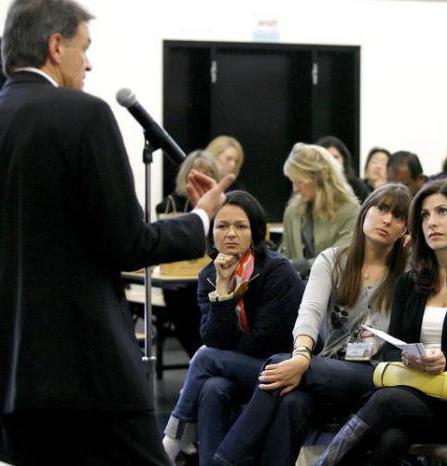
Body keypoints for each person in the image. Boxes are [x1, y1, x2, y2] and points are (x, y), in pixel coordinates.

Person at [0, 1, 232, 465]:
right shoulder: (82, 114)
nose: (89, 63)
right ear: (55, 45)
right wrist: (202, 219)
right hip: (85, 369)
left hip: (11, 373)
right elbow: (127, 242)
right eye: (84, 49)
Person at [317, 178, 447, 466]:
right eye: (424, 215)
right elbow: (389, 350)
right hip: (410, 392)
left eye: (442, 212)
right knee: (391, 439)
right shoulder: (410, 281)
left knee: (386, 403)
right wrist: (411, 358)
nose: (431, 222)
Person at [210, 183, 412, 466]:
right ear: (365, 211)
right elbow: (310, 312)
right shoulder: (332, 260)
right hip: (325, 369)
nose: (387, 220)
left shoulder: (408, 274)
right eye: (381, 209)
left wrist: (301, 362)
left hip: (373, 375)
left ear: (406, 229)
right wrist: (303, 355)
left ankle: (223, 461)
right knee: (292, 401)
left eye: (399, 216)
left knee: (277, 362)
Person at [161, 191, 304, 466]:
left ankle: (170, 445)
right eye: (222, 226)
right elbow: (213, 336)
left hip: (279, 367)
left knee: (204, 357)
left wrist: (219, 354)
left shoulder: (277, 270)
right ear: (211, 232)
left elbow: (266, 340)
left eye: (241, 226)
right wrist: (224, 289)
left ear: (255, 231)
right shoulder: (208, 275)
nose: (230, 234)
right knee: (212, 387)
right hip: (235, 368)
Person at [154, 149, 224, 357]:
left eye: (208, 174)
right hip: (180, 282)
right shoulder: (171, 203)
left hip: (213, 276)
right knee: (183, 304)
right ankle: (199, 359)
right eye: (196, 175)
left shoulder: (223, 205)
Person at [279, 143, 360, 277]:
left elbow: (341, 259)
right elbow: (284, 255)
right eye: (293, 182)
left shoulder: (351, 211)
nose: (295, 189)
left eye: (299, 182)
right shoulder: (292, 212)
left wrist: (297, 266)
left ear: (319, 178)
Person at [156, 149, 222, 215]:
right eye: (196, 175)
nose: (201, 179)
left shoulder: (220, 204)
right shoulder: (170, 205)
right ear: (185, 176)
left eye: (207, 174)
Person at [316, 135, 371, 203]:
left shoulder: (357, 186)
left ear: (344, 159)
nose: (332, 162)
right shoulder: (312, 186)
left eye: (336, 157)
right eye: (328, 157)